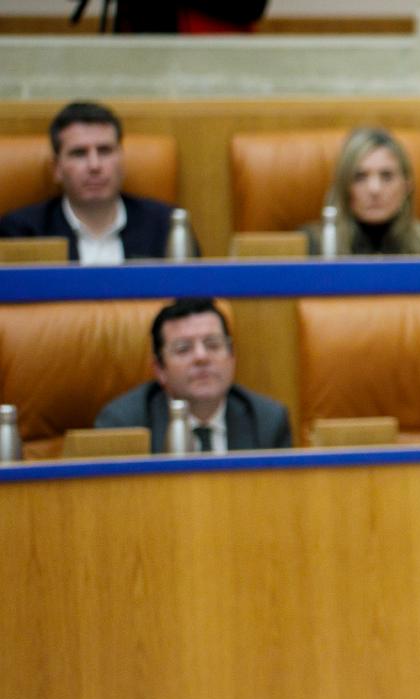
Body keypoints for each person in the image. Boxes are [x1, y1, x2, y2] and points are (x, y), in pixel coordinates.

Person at [0, 100, 198, 264]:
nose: (94, 165)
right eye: (79, 153)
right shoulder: (22, 232)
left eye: (104, 151)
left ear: (121, 159)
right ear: (56, 169)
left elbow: (195, 301)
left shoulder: (166, 225)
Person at [96, 297, 292, 453]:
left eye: (213, 345)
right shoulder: (124, 425)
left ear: (232, 356)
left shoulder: (267, 421)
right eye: (183, 349)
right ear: (159, 369)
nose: (201, 357)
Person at [300, 127, 420, 256]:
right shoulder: (312, 246)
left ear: (407, 185)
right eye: (360, 177)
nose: (374, 189)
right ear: (343, 185)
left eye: (386, 176)